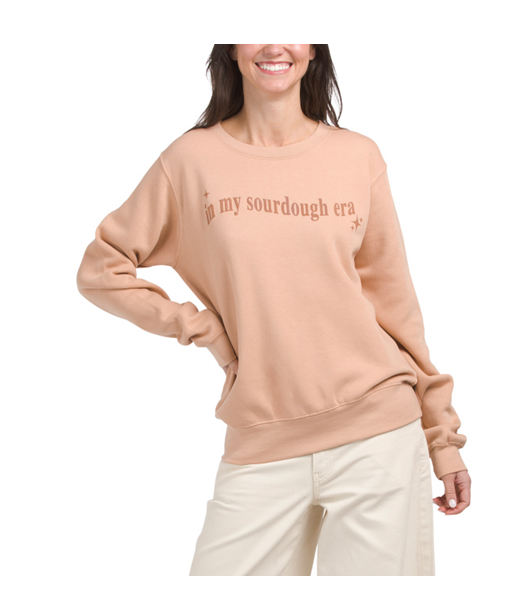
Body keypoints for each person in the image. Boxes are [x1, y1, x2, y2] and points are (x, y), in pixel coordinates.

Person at [76, 44, 471, 576]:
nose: (273, 44)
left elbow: (397, 306)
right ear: (231, 49)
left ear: (313, 50)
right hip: (261, 439)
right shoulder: (191, 161)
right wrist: (201, 328)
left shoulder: (357, 156)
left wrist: (442, 438)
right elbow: (101, 270)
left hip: (378, 436)